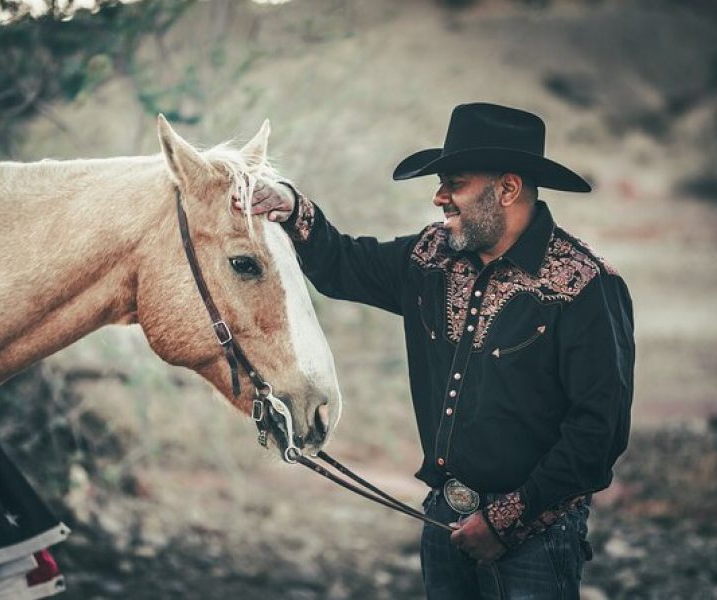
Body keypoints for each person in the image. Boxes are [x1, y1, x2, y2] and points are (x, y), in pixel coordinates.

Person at [237, 102, 634, 599]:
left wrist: (503, 522)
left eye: (456, 182)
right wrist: (292, 206)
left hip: (538, 536)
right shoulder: (431, 258)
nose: (439, 196)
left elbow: (599, 432)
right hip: (444, 518)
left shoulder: (585, 285)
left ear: (507, 189)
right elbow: (344, 265)